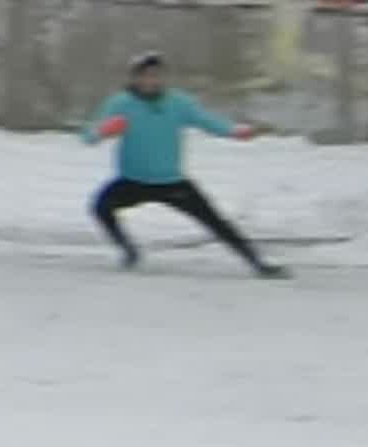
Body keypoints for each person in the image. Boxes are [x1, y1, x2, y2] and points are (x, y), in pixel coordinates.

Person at [83, 52, 285, 278]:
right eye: (145, 76)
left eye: (156, 76)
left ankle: (258, 263)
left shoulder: (178, 102)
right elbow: (88, 136)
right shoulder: (121, 103)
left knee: (216, 222)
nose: (151, 81)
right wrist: (103, 131)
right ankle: (129, 251)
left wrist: (239, 132)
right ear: (134, 79)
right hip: (133, 181)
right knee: (100, 207)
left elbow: (208, 122)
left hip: (172, 182)